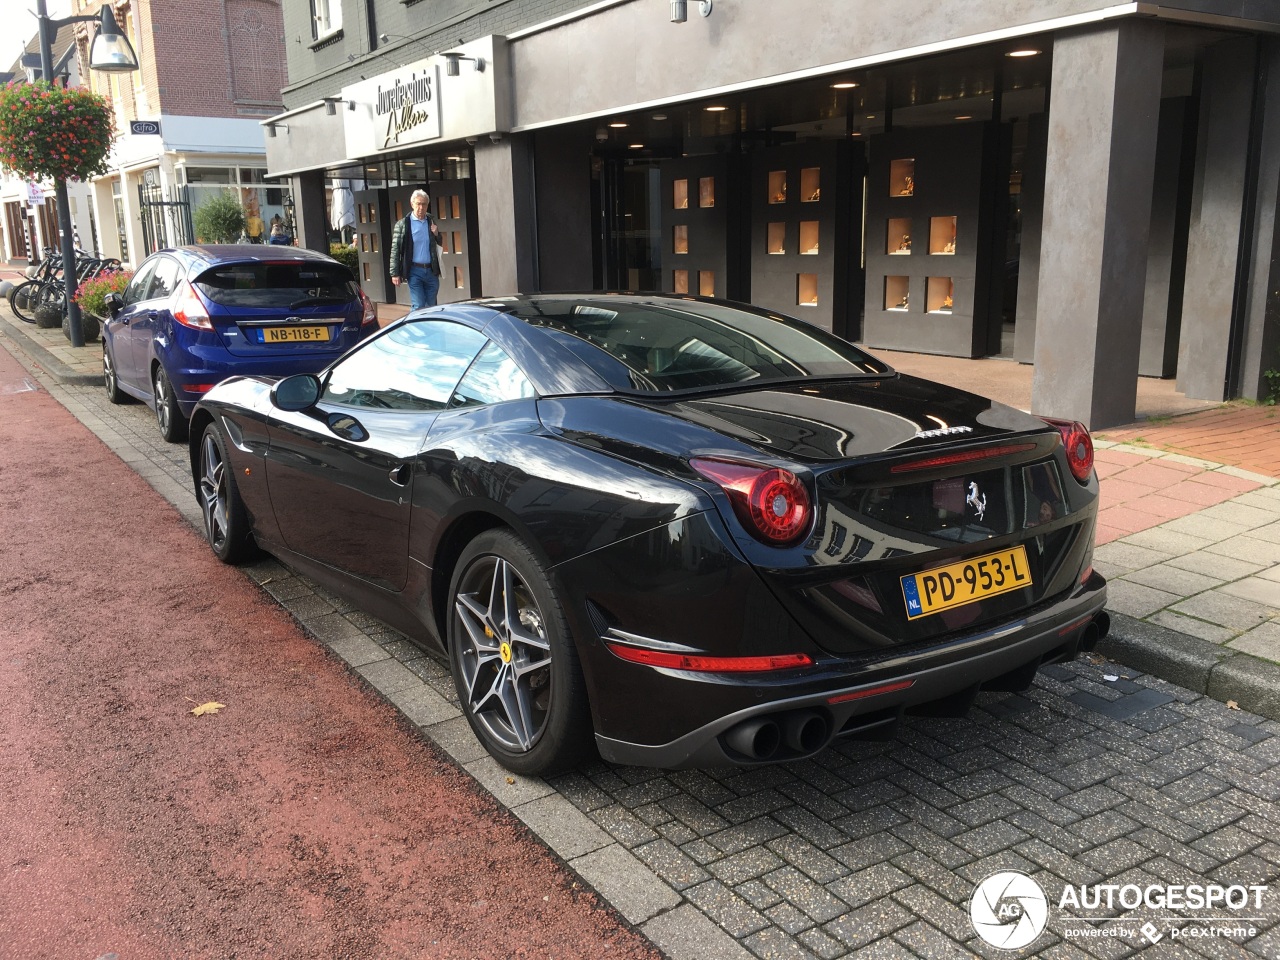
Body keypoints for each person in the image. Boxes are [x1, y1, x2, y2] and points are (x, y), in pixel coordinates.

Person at [389, 188, 442, 309]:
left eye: (424, 204)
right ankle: (414, 327)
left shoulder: (431, 221)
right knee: (418, 306)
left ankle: (430, 328)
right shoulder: (403, 224)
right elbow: (395, 249)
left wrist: (437, 234)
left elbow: (439, 244)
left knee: (432, 306)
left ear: (427, 205)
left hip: (431, 270)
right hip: (414, 271)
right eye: (418, 204)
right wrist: (394, 273)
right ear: (412, 204)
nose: (421, 207)